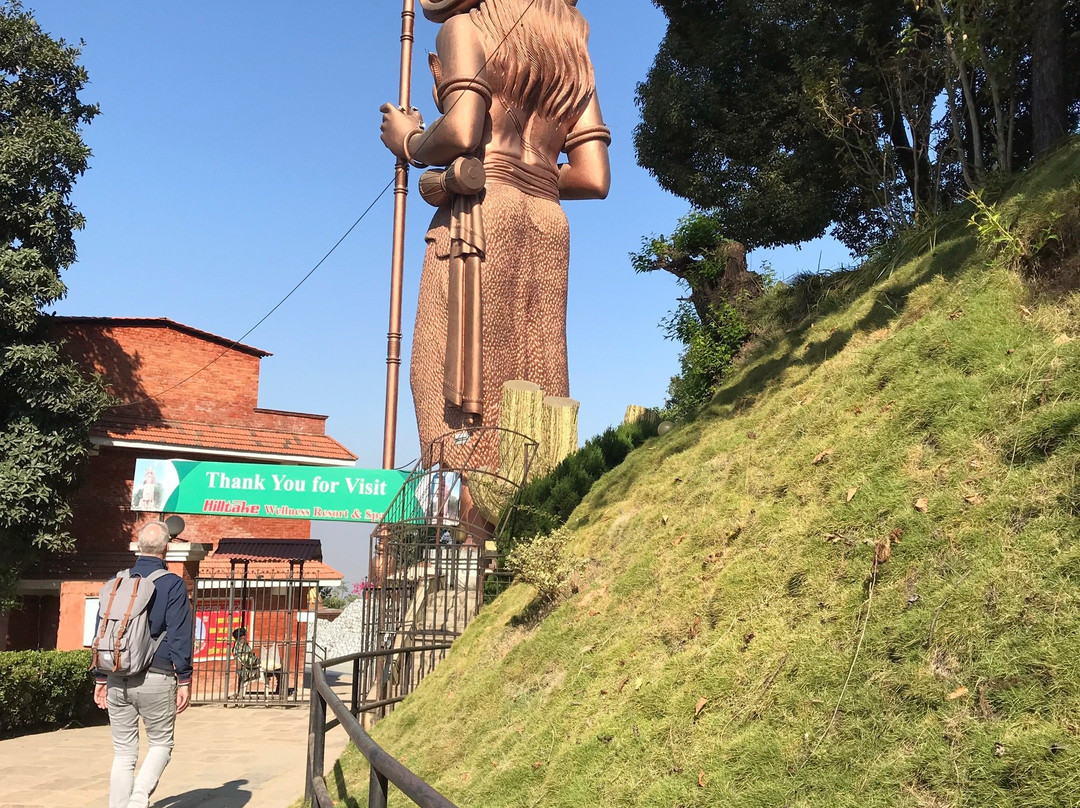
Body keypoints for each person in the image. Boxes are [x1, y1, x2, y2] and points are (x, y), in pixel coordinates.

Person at [380, 0, 610, 469]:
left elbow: (463, 131)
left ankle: (472, 528)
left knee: (451, 384)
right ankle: (529, 511)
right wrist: (539, 171)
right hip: (548, 221)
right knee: (537, 374)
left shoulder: (466, 28)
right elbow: (593, 177)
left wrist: (406, 140)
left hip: (481, 214)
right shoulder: (573, 56)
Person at [94, 520, 192, 808]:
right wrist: (184, 678)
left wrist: (101, 678)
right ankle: (138, 800)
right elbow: (179, 634)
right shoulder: (172, 583)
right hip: (156, 676)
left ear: (139, 546)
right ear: (167, 548)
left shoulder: (118, 582)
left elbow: (102, 631)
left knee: (123, 753)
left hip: (116, 675)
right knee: (161, 743)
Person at [230, 627, 262, 694]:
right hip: (249, 670)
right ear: (242, 636)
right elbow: (247, 660)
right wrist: (258, 661)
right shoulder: (241, 646)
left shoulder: (238, 645)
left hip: (245, 667)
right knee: (275, 669)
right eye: (245, 635)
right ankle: (280, 690)